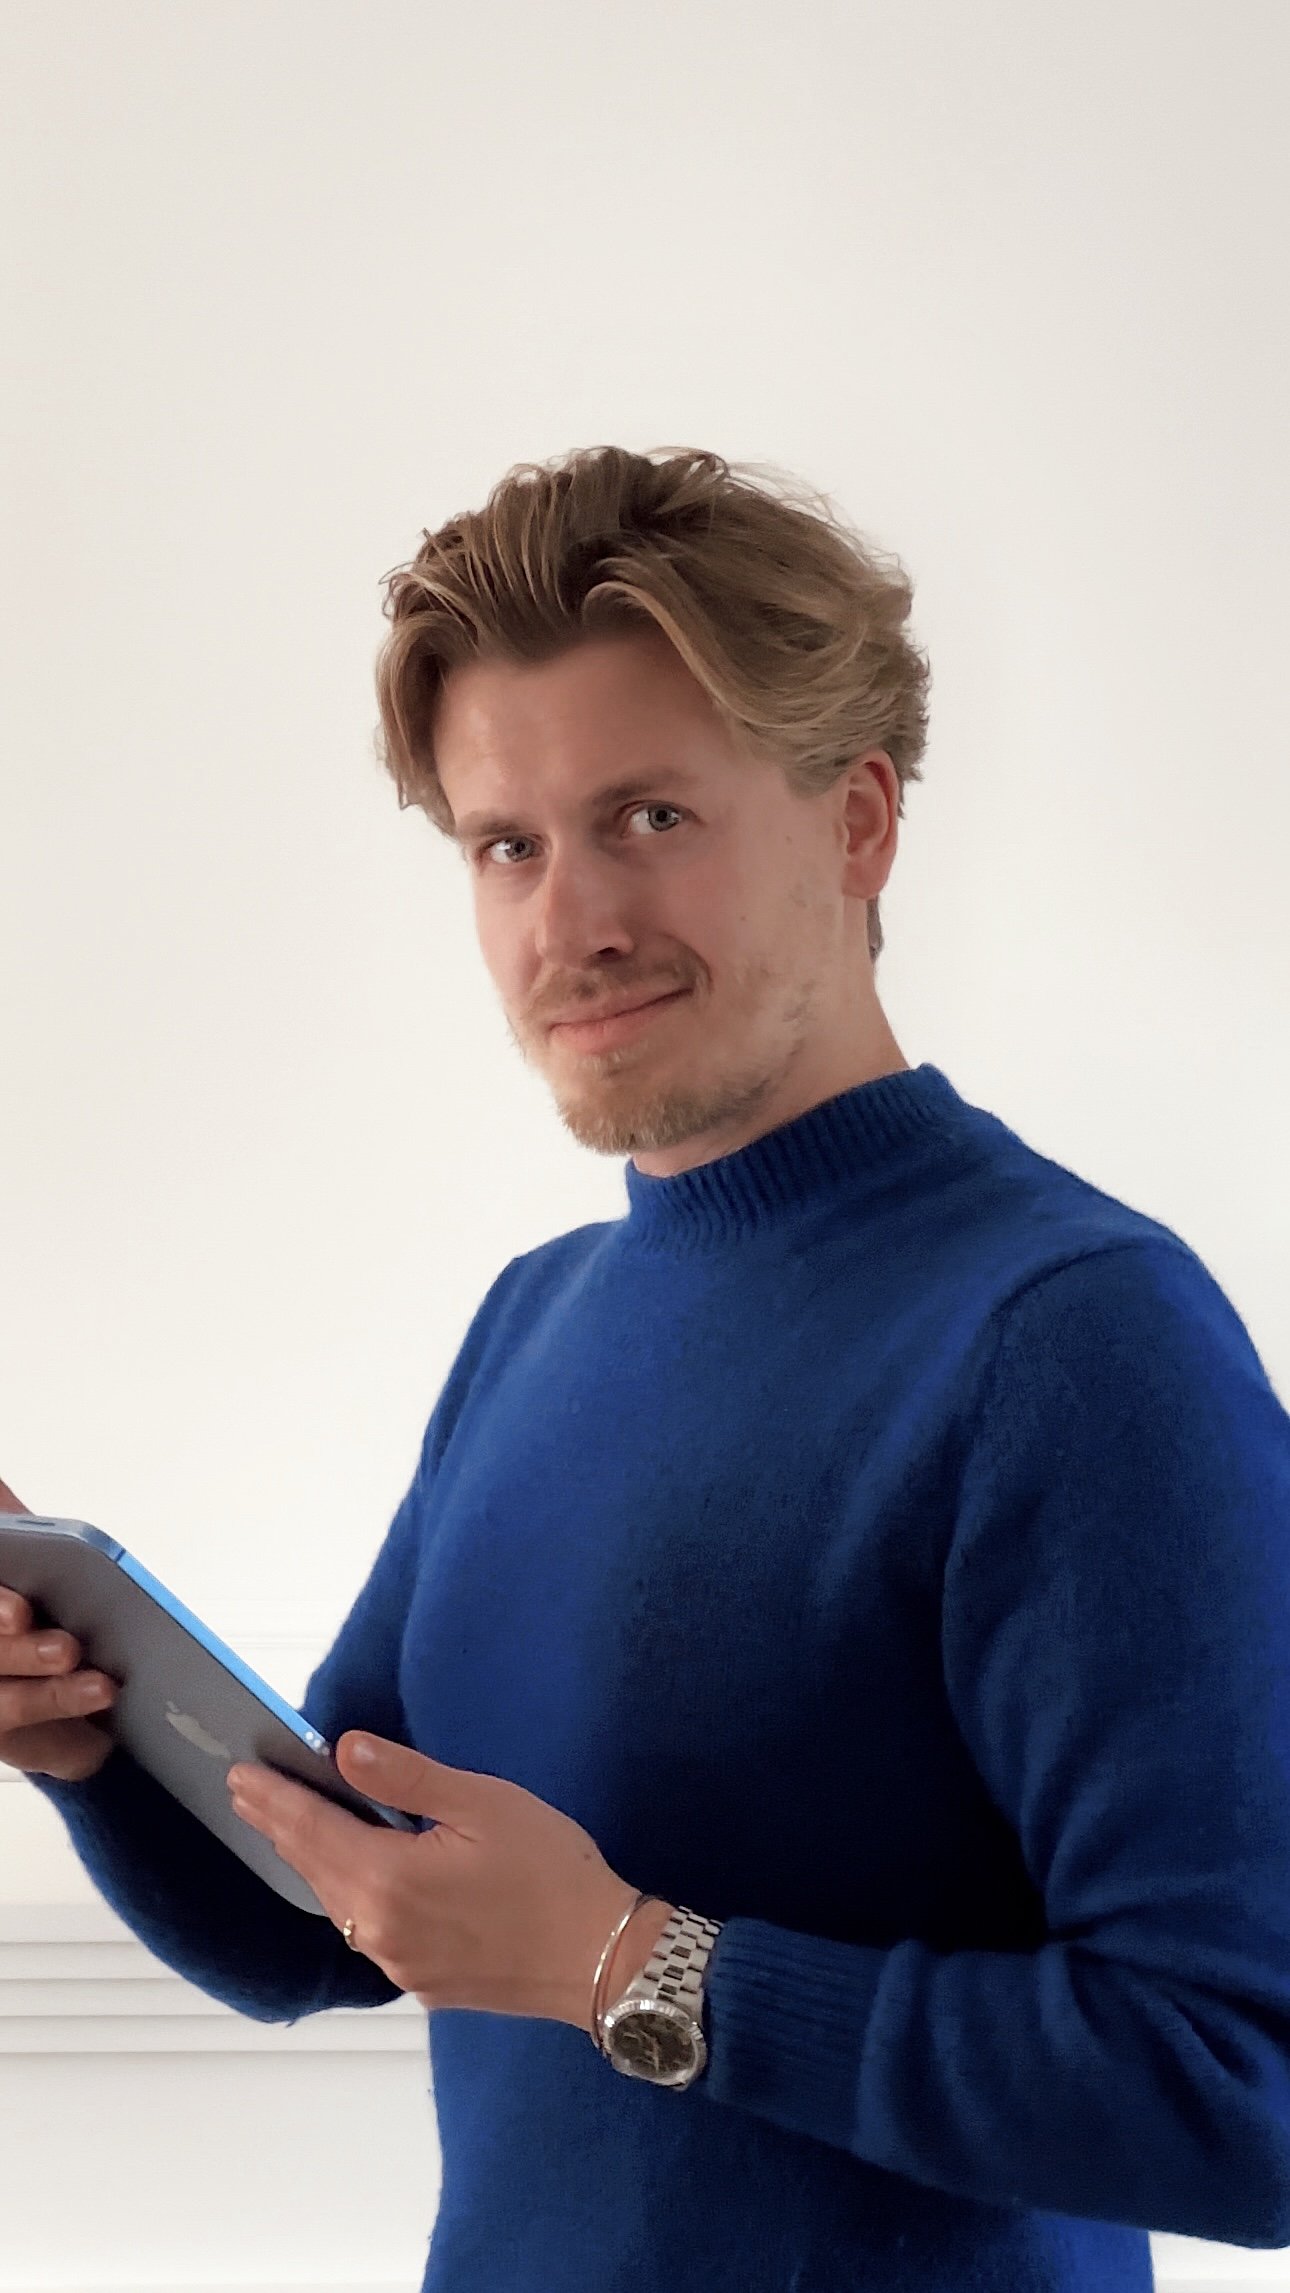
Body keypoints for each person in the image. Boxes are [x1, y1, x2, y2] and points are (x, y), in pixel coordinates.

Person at [5, 443, 1290, 2292]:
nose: (572, 923)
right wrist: (88, 1741)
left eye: (651, 817)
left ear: (858, 823)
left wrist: (629, 1963)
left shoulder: (1073, 1334)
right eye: (507, 845)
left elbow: (1244, 2089)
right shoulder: (535, 1320)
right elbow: (328, 1923)